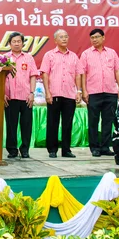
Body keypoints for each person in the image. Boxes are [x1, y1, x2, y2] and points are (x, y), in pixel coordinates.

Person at [79, 29, 119, 157]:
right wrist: (84, 91)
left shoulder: (112, 53)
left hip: (110, 91)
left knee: (108, 121)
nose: (94, 39)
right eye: (92, 37)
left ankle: (105, 147)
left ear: (103, 38)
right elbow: (83, 73)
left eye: (97, 37)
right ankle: (94, 147)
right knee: (93, 121)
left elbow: (117, 71)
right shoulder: (86, 54)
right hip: (93, 92)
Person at [40, 29, 82, 158]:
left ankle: (66, 150)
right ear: (55, 40)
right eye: (61, 37)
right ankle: (52, 150)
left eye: (66, 36)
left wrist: (79, 91)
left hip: (69, 94)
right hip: (54, 94)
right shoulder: (49, 55)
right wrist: (47, 92)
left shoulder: (74, 56)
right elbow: (45, 74)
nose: (64, 39)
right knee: (52, 123)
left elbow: (78, 74)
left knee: (67, 123)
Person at [4, 32, 39, 159]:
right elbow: (0, 78)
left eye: (19, 41)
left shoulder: (29, 57)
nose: (17, 43)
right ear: (9, 43)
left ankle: (25, 150)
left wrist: (32, 93)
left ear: (23, 43)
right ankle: (12, 150)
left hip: (26, 97)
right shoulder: (4, 58)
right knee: (11, 125)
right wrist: (2, 94)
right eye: (14, 41)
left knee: (26, 125)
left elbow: (33, 76)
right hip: (10, 97)